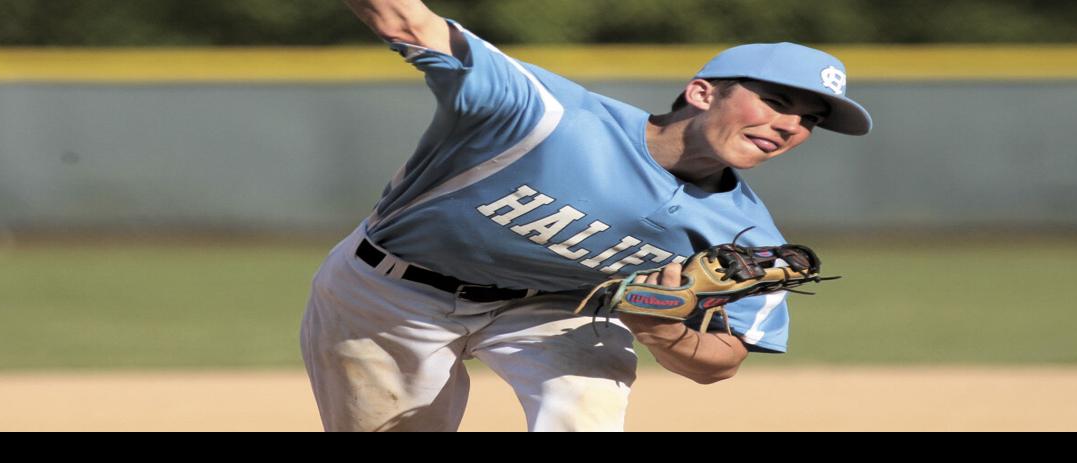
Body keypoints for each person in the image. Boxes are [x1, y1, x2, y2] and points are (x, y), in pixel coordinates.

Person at [301, 0, 873, 431]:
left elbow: (719, 363)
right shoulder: (541, 115)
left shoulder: (742, 235)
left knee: (585, 413)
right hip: (389, 290)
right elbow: (405, 20)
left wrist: (665, 330)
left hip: (559, 306)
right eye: (776, 101)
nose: (790, 125)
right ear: (702, 93)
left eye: (810, 120)